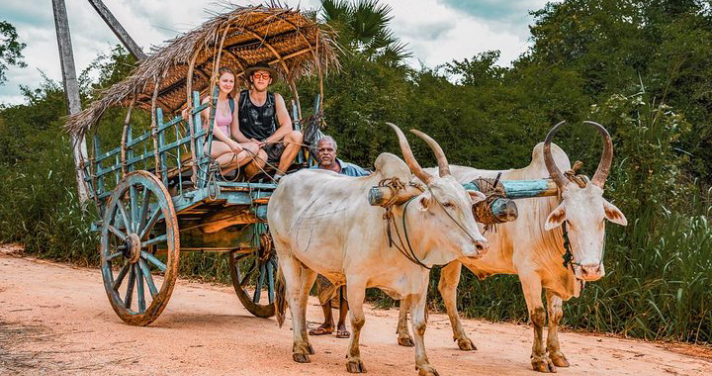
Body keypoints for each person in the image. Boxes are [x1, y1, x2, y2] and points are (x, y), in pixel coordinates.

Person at [308, 136, 369, 339]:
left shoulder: (351, 171)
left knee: (346, 281)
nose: (325, 153)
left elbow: (370, 179)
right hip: (323, 234)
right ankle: (327, 322)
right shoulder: (312, 175)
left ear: (335, 152)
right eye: (322, 150)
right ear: (318, 153)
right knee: (323, 278)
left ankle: (342, 324)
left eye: (329, 150)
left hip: (349, 233)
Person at [183, 67, 265, 176]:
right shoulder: (209, 100)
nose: (228, 84)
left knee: (253, 148)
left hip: (224, 144)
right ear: (218, 82)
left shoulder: (232, 103)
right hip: (208, 143)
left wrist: (250, 141)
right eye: (225, 81)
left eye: (231, 81)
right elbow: (213, 127)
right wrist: (231, 143)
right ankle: (207, 170)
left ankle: (219, 173)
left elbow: (235, 132)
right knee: (240, 154)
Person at [237, 62, 304, 180]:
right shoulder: (240, 97)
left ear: (270, 80)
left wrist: (266, 142)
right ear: (252, 78)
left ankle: (277, 178)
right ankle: (250, 181)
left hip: (270, 145)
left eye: (265, 76)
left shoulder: (276, 98)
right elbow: (230, 124)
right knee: (261, 156)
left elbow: (287, 126)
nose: (261, 79)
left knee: (296, 136)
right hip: (249, 148)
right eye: (258, 76)